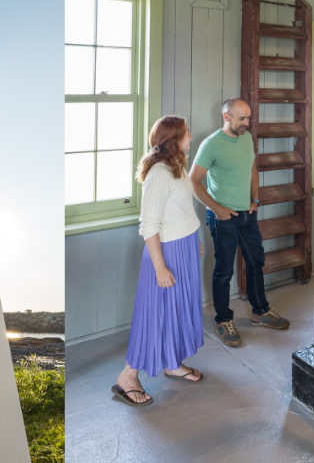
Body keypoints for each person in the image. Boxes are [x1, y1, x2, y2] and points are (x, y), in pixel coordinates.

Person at [112, 116, 209, 407]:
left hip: (184, 247)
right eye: (187, 132)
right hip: (165, 254)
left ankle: (172, 363)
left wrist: (194, 239)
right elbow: (149, 224)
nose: (191, 135)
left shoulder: (176, 168)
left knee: (179, 309)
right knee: (156, 315)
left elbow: (180, 211)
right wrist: (160, 267)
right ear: (175, 140)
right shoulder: (159, 175)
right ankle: (128, 377)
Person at [190, 99, 289, 348]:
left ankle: (260, 312)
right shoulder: (211, 144)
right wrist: (218, 210)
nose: (248, 123)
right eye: (242, 119)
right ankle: (223, 320)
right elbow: (193, 181)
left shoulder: (246, 138)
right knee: (224, 271)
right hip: (223, 217)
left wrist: (255, 200)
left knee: (256, 262)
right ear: (226, 118)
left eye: (248, 118)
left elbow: (253, 169)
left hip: (248, 214)